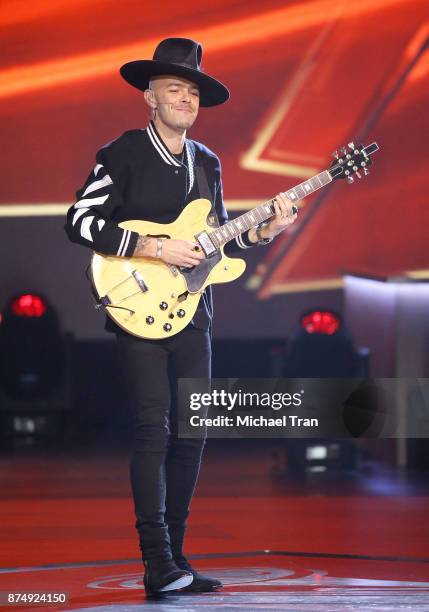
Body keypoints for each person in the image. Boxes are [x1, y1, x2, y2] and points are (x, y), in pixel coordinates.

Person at [64, 37, 297, 597]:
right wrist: (151, 247)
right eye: (174, 89)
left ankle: (177, 560)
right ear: (150, 96)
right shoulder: (120, 153)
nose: (185, 99)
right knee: (152, 430)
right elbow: (79, 221)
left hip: (193, 313)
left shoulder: (208, 163)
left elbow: (213, 245)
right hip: (137, 308)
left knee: (192, 435)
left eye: (192, 91)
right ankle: (155, 562)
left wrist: (265, 229)